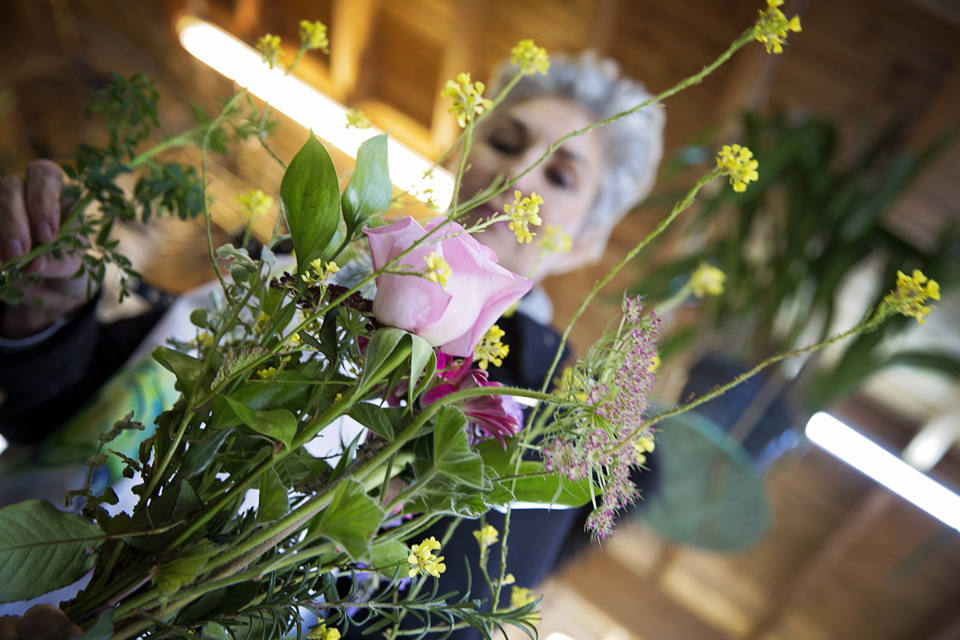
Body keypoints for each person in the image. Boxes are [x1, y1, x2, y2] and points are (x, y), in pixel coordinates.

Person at [0, 51, 664, 631]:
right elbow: (74, 402)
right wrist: (39, 322)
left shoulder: (534, 417)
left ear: (588, 239)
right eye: (505, 141)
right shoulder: (303, 264)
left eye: (561, 175)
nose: (518, 175)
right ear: (460, 152)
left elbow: (439, 617)